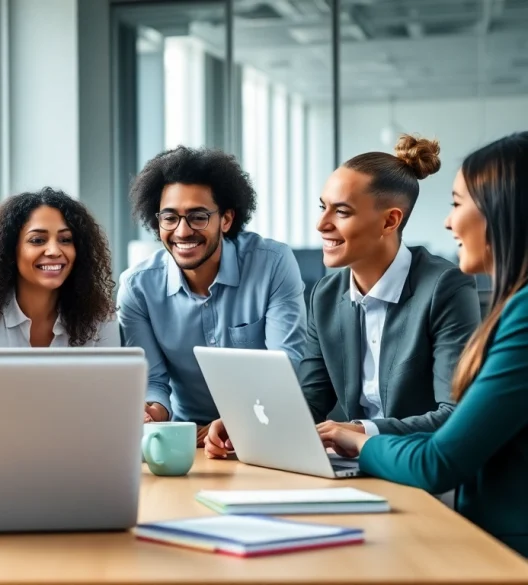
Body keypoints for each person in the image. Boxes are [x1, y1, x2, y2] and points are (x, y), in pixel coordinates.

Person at [204, 135, 481, 458]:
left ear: (390, 220)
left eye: (342, 212)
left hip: (419, 463)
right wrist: (246, 425)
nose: (322, 224)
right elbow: (308, 401)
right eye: (323, 207)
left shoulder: (445, 287)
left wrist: (364, 430)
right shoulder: (325, 295)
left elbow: (456, 415)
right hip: (354, 465)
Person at [319, 131, 528, 558]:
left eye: (456, 204)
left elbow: (438, 461)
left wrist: (359, 440)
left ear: (505, 210)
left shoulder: (515, 313)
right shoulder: (326, 294)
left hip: (503, 550)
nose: (449, 222)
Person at [117, 146, 306, 444]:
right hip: (188, 441)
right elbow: (153, 381)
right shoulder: (137, 288)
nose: (182, 231)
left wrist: (236, 420)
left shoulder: (273, 263)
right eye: (170, 218)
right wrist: (153, 412)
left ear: (227, 219)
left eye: (198, 216)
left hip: (267, 429)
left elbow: (287, 363)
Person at [0, 188, 118, 349]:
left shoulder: (99, 318)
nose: (54, 251)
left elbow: (113, 375)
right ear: (10, 248)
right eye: (38, 240)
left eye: (65, 239)